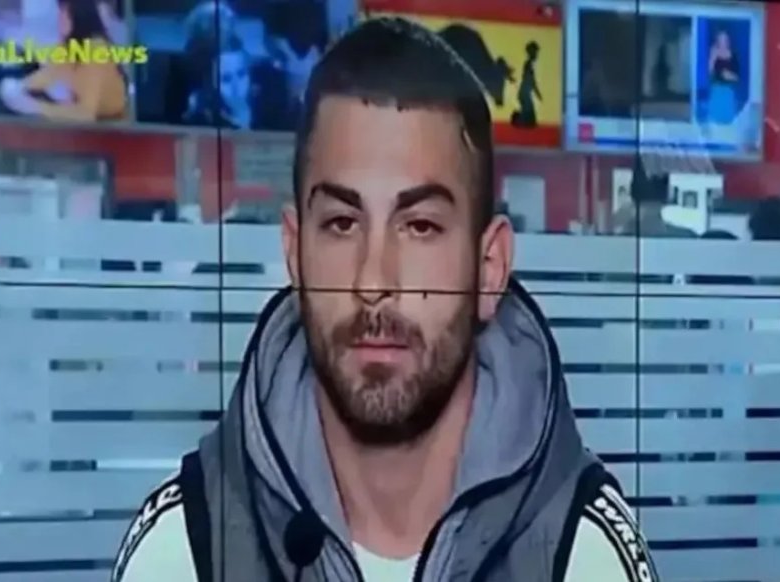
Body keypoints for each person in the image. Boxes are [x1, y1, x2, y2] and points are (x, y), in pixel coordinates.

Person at [111, 18, 656, 582]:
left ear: (489, 267)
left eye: (420, 226)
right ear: (295, 254)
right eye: (342, 223)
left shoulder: (584, 556)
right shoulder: (183, 553)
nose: (373, 281)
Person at [0, 0, 129, 121]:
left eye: (63, 13)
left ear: (78, 16)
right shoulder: (69, 45)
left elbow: (85, 114)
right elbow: (50, 74)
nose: (59, 19)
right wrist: (20, 87)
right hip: (89, 125)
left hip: (114, 126)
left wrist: (37, 107)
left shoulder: (96, 49)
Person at [183, 34, 255, 129]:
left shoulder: (265, 103)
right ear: (212, 82)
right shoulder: (203, 113)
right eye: (226, 79)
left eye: (241, 74)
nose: (236, 86)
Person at [706, 29, 740, 125]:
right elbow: (710, 73)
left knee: (727, 120)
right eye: (720, 40)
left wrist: (729, 75)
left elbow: (737, 77)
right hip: (717, 89)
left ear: (728, 41)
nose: (723, 43)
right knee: (715, 120)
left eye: (725, 40)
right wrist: (712, 58)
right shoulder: (714, 54)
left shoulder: (733, 55)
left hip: (728, 90)